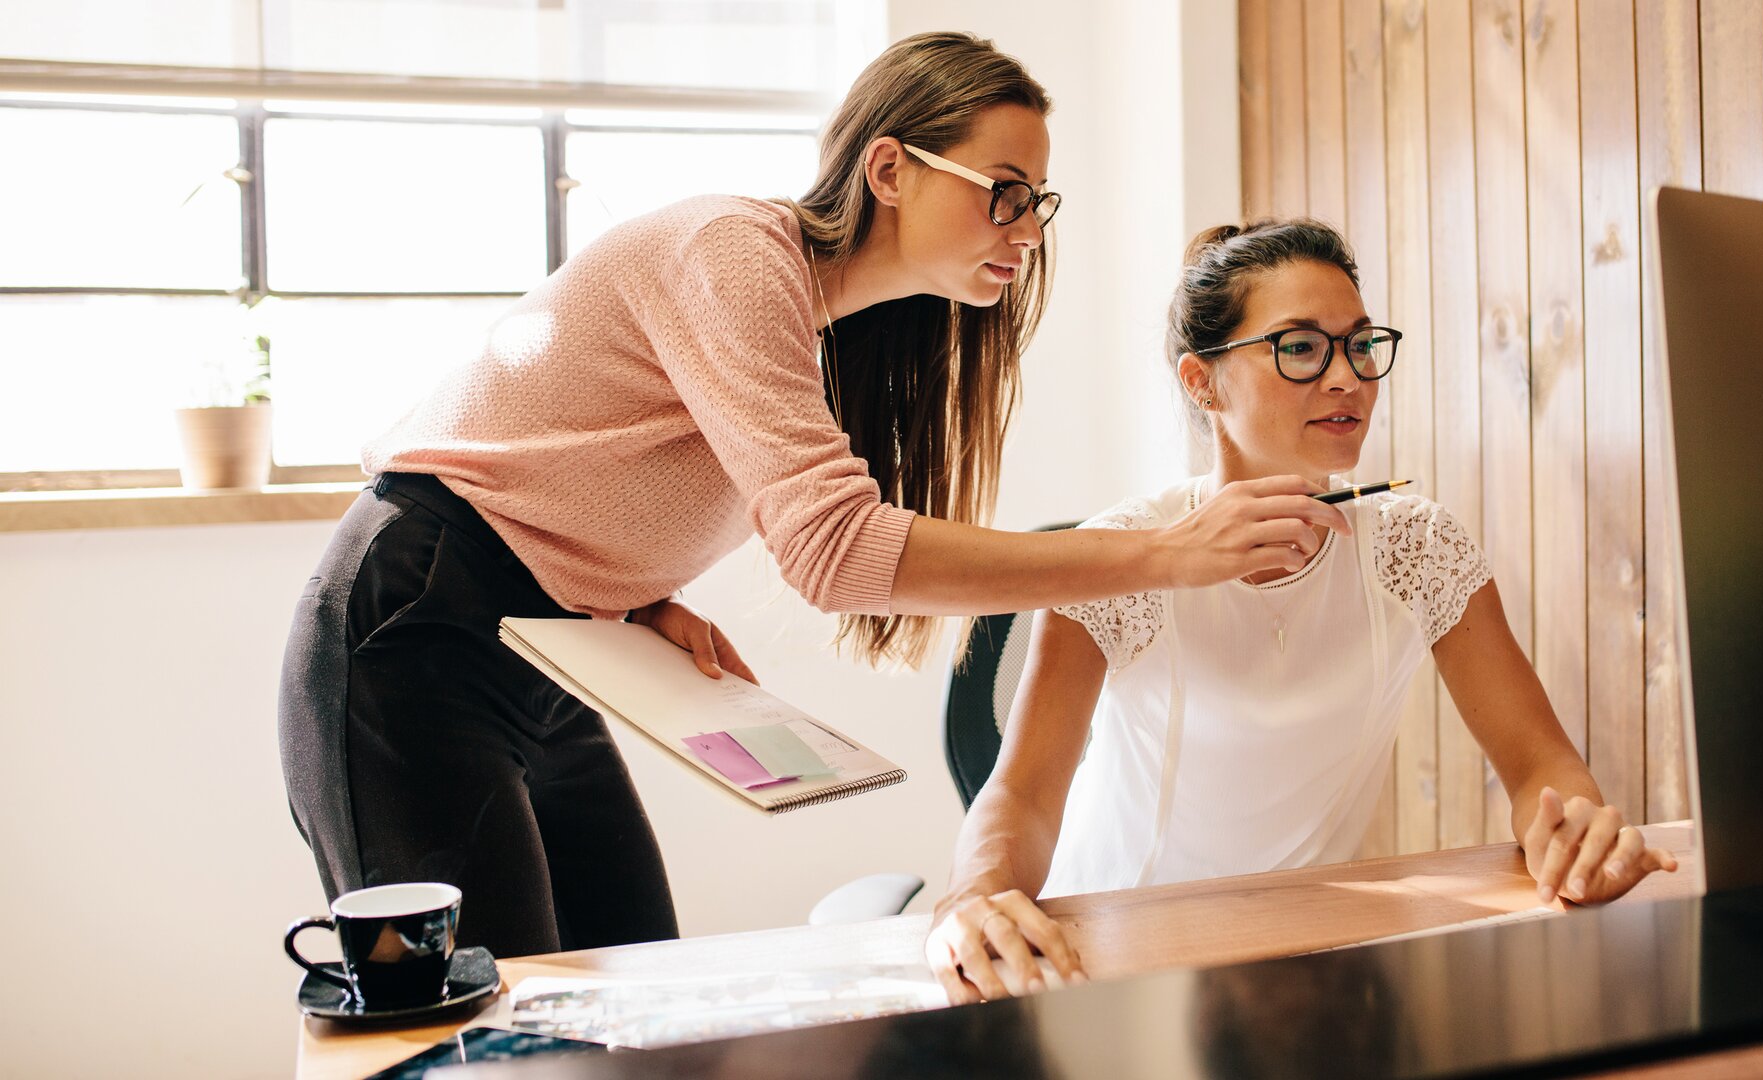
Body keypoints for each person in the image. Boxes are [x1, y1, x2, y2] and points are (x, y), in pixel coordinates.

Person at [278, 33, 1346, 960]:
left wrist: (633, 594)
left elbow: (582, 457)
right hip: (413, 631)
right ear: (890, 168)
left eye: (1039, 201)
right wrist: (1165, 553)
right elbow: (836, 554)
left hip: (550, 645)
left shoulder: (824, 326)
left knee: (634, 994)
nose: (1027, 228)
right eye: (1004, 192)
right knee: (482, 1027)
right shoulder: (737, 255)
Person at [925, 219, 1679, 1004]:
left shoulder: (1417, 549)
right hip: (1108, 953)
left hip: (1303, 954)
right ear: (1202, 382)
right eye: (1300, 347)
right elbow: (1021, 796)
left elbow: (1541, 766)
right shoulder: (1121, 555)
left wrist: (1574, 831)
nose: (1347, 377)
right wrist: (973, 894)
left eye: (1359, 345)